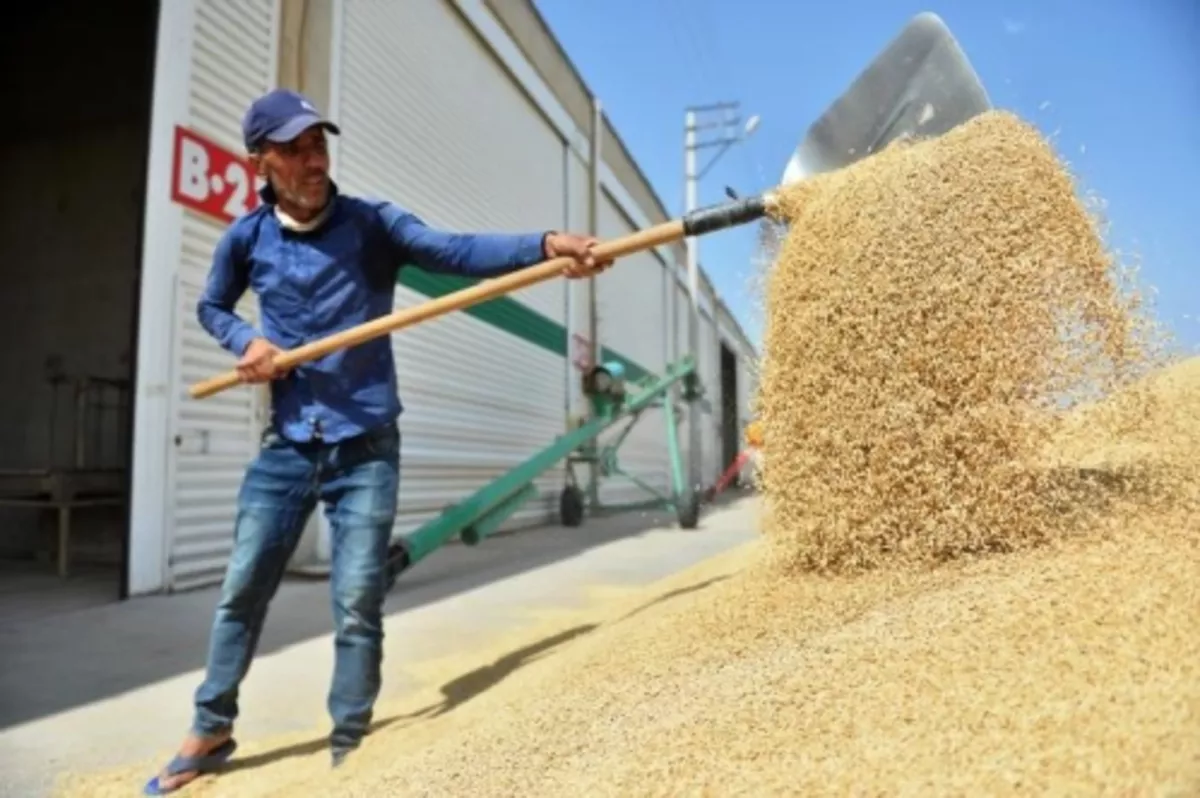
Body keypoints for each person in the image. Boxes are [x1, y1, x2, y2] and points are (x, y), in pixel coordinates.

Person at [144, 88, 613, 795]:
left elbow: (456, 251)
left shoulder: (371, 224)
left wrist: (547, 246)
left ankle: (350, 745)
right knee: (242, 587)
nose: (313, 160)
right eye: (295, 149)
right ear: (261, 162)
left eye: (319, 145)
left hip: (366, 443)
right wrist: (248, 340)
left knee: (358, 597)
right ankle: (211, 726)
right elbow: (212, 305)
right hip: (290, 443)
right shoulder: (245, 240)